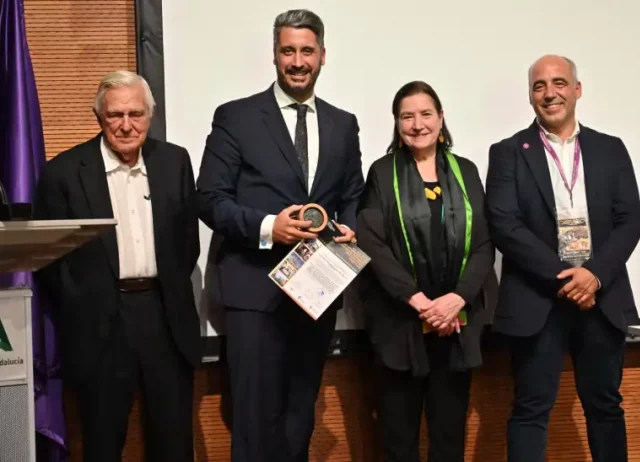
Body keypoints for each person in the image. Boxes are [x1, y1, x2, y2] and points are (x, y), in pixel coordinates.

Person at [196, 9, 364, 462]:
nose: (298, 61)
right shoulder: (236, 117)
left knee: (299, 418)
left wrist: (350, 227)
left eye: (307, 51)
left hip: (318, 290)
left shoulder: (343, 123)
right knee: (254, 422)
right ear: (274, 55)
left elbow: (352, 195)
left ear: (323, 55)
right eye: (288, 50)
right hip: (254, 293)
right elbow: (209, 198)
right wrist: (271, 227)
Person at [33, 70, 201, 462]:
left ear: (150, 115)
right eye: (115, 115)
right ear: (99, 117)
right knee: (103, 444)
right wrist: (83, 300)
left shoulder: (174, 161)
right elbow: (50, 261)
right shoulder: (63, 173)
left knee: (174, 442)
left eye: (136, 114)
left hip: (165, 318)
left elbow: (186, 243)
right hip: (100, 325)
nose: (126, 125)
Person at [485, 55, 640, 462]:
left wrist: (593, 275)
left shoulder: (610, 149)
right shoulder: (507, 152)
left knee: (605, 406)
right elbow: (505, 224)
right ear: (530, 96)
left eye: (559, 82)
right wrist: (568, 278)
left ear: (577, 90)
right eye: (539, 86)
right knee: (530, 409)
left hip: (601, 298)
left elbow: (630, 220)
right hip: (538, 300)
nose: (549, 93)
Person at [356, 81, 496, 462]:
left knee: (449, 443)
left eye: (425, 114)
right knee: (398, 444)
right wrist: (420, 303)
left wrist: (456, 300)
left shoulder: (466, 172)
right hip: (401, 327)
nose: (417, 125)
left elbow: (484, 244)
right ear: (397, 123)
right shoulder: (382, 173)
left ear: (441, 117)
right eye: (407, 117)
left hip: (456, 329)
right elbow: (372, 245)